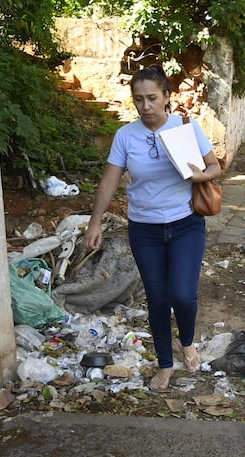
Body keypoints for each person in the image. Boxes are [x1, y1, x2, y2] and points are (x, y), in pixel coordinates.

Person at [83, 64, 222, 391]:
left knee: (182, 294)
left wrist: (200, 175)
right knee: (158, 298)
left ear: (166, 97)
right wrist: (94, 223)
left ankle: (186, 341)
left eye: (152, 98)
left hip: (186, 224)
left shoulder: (186, 128)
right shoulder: (125, 136)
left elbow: (215, 165)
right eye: (139, 99)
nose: (145, 106)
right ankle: (164, 364)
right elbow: (108, 182)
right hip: (145, 230)